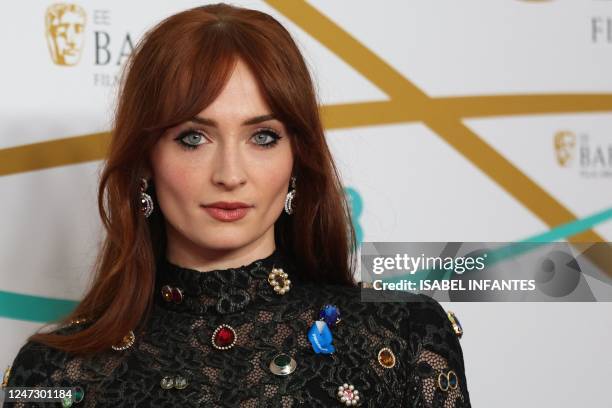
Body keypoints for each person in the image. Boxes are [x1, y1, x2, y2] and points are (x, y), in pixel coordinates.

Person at [2, 3, 471, 407]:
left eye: (263, 137)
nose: (230, 174)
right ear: (146, 160)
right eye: (193, 138)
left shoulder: (402, 334)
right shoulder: (50, 375)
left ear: (296, 158)